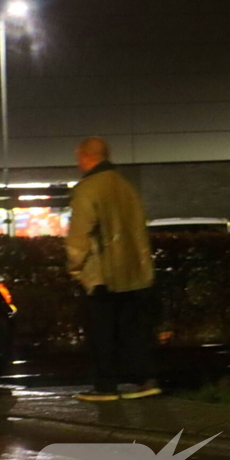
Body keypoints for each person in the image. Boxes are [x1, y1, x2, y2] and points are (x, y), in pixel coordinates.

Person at [66, 137, 161, 401]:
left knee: (101, 330)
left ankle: (105, 386)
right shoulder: (126, 186)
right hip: (134, 272)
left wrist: (75, 268)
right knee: (132, 329)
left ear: (85, 156)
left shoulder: (88, 188)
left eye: (78, 157)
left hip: (101, 274)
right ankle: (145, 379)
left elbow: (79, 234)